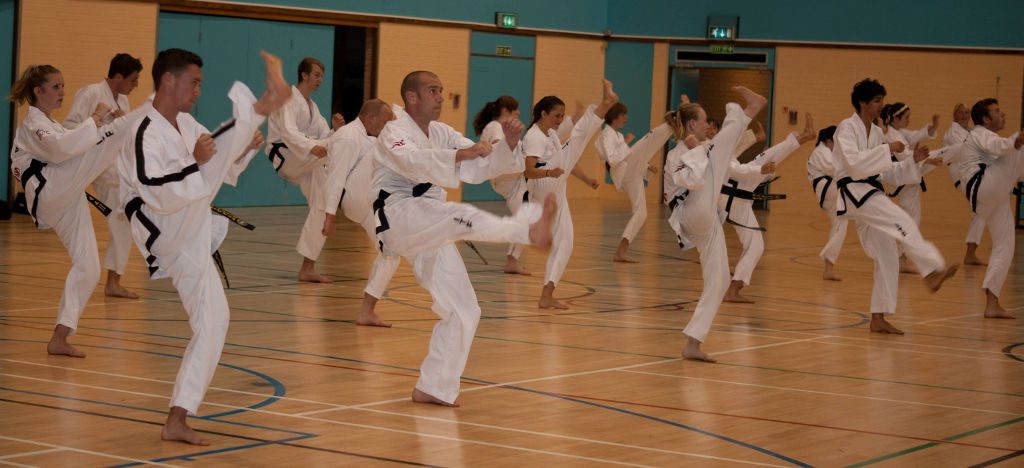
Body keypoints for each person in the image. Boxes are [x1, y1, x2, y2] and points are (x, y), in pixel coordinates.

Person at [118, 48, 291, 444]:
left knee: (214, 322)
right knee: (212, 151)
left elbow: (215, 161)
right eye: (193, 82)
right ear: (169, 80)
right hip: (162, 222)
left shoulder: (185, 123)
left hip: (189, 229)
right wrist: (200, 161)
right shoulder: (141, 128)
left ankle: (177, 417)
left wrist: (242, 150)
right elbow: (154, 188)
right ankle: (263, 103)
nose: (198, 90)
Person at [373, 70, 556, 406]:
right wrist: (459, 156)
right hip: (397, 215)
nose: (441, 96)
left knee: (465, 309)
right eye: (432, 90)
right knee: (459, 215)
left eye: (442, 90)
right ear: (411, 97)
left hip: (429, 224)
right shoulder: (394, 131)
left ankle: (434, 386)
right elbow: (411, 161)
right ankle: (525, 228)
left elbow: (478, 163)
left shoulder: (442, 132)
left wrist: (508, 147)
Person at [9, 64, 139, 358]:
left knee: (89, 268)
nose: (62, 92)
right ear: (38, 91)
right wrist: (98, 121)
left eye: (63, 85)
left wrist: (102, 125)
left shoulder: (52, 125)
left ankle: (60, 337)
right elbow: (62, 150)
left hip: (66, 198)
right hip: (49, 193)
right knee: (107, 139)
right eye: (55, 87)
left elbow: (73, 144)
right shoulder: (33, 123)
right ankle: (151, 112)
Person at [832, 78, 957, 334]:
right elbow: (855, 164)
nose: (881, 106)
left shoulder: (877, 132)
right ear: (862, 103)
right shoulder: (846, 128)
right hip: (855, 191)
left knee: (887, 254)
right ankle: (932, 270)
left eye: (882, 101)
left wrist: (914, 163)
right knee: (904, 222)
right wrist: (888, 148)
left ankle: (878, 317)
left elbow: (886, 172)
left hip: (869, 190)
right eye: (877, 101)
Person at [63, 53, 144, 298]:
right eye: (133, 79)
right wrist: (99, 120)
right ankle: (106, 280)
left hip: (109, 165)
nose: (136, 84)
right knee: (121, 218)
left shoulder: (123, 102)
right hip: (88, 161)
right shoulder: (90, 94)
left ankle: (113, 282)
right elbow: (69, 128)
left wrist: (121, 123)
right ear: (118, 76)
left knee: (123, 220)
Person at [525, 88, 613, 309]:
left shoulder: (551, 134)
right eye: (557, 115)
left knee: (566, 242)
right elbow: (529, 170)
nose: (559, 120)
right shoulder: (534, 135)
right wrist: (548, 172)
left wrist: (587, 180)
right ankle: (604, 106)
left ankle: (547, 293)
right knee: (577, 138)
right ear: (543, 114)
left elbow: (569, 163)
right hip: (544, 182)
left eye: (562, 116)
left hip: (556, 184)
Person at [720, 115, 817, 303]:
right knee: (762, 161)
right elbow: (732, 169)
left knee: (756, 246)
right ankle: (803, 137)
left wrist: (760, 171)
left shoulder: (724, 146)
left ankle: (734, 289)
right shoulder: (714, 148)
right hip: (732, 197)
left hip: (737, 197)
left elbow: (737, 165)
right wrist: (759, 171)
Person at [266, 57, 345, 283]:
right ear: (304, 75)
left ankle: (307, 268)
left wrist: (334, 130)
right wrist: (315, 145)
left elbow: (323, 138)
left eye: (322, 76)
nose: (320, 79)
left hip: (307, 159)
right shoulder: (288, 99)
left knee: (323, 205)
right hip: (286, 154)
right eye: (317, 74)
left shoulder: (312, 106)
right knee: (344, 143)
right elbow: (289, 133)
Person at [321, 98, 399, 327]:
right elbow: (334, 178)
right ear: (371, 118)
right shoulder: (347, 136)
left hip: (367, 201)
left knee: (391, 251)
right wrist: (329, 215)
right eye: (385, 122)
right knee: (385, 147)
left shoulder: (363, 136)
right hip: (355, 197)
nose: (385, 127)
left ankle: (367, 311)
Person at [958, 98, 1024, 319]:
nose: (1003, 114)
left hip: (991, 195)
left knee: (1006, 245)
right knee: (1018, 149)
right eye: (997, 111)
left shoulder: (988, 137)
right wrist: (1016, 140)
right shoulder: (979, 133)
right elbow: (999, 147)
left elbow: (1008, 161)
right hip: (983, 186)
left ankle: (992, 303)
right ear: (985, 119)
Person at [593, 102, 673, 263]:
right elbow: (614, 160)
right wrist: (626, 143)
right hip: (624, 174)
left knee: (641, 213)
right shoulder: (606, 135)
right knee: (647, 142)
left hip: (630, 171)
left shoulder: (617, 135)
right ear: (616, 116)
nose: (626, 118)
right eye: (624, 115)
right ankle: (670, 124)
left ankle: (621, 251)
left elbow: (627, 157)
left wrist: (647, 166)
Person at [472, 96, 532, 274]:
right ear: (506, 111)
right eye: (516, 110)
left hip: (513, 179)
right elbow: (500, 149)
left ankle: (512, 259)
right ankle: (511, 260)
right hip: (508, 180)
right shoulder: (496, 127)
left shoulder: (497, 127)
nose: (519, 113)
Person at [879, 102, 939, 274]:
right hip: (901, 177)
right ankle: (900, 259)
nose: (909, 120)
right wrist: (929, 160)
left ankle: (901, 258)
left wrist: (932, 127)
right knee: (910, 221)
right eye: (906, 118)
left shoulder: (899, 132)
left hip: (909, 177)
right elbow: (906, 156)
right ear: (895, 119)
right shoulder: (892, 135)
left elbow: (915, 136)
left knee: (912, 219)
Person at [942, 103, 986, 266]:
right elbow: (965, 151)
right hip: (963, 175)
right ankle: (970, 254)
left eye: (967, 112)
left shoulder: (972, 131)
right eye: (960, 112)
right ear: (955, 114)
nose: (964, 115)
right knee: (981, 208)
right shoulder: (953, 132)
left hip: (973, 173)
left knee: (981, 209)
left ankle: (971, 253)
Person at [806, 125, 848, 281]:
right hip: (829, 189)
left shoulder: (826, 152)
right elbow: (835, 170)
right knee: (841, 223)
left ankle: (829, 267)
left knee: (840, 224)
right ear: (829, 140)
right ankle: (828, 267)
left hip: (831, 190)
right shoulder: (820, 152)